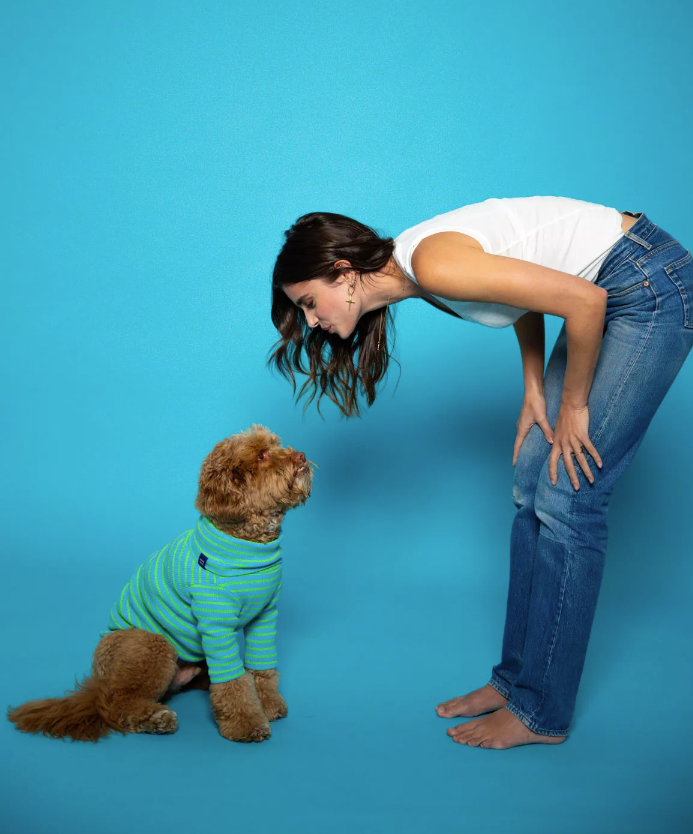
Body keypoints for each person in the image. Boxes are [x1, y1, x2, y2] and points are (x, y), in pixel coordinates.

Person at [268, 196, 693, 749]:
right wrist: (535, 389)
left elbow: (584, 301)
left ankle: (543, 712)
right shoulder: (420, 277)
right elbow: (523, 297)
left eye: (307, 301)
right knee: (531, 484)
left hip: (647, 287)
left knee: (570, 498)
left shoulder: (433, 265)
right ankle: (516, 682)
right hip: (618, 284)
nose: (311, 319)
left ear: (343, 274)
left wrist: (574, 407)